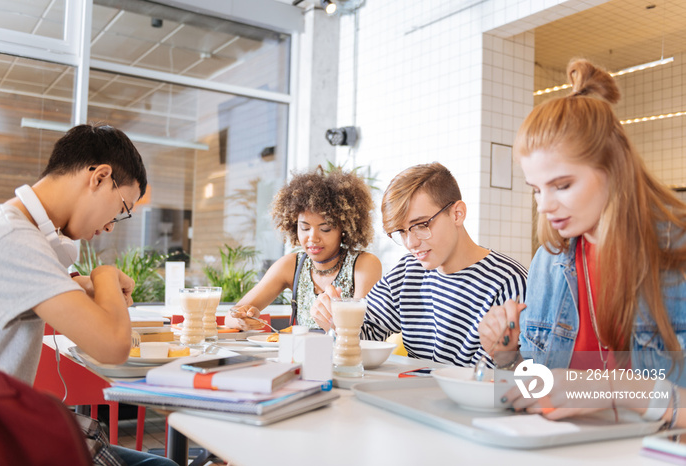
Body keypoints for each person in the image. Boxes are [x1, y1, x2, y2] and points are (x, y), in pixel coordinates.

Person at [479, 58, 686, 426]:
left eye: (562, 185)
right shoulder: (550, 260)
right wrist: (507, 356)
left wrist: (605, 387)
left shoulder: (676, 253)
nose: (545, 205)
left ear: (613, 169)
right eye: (536, 190)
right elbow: (543, 388)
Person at [0, 124, 178, 465]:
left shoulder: (6, 224)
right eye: (121, 209)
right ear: (100, 177)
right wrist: (103, 275)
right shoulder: (14, 238)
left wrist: (84, 284)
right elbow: (112, 347)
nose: (109, 227)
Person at [311, 162, 528, 367]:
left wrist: (506, 356)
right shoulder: (408, 272)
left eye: (421, 225)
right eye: (402, 231)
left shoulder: (510, 283)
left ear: (457, 214)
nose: (411, 243)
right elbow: (366, 335)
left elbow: (533, 380)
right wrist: (336, 322)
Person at [225, 165, 382, 330]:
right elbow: (231, 315)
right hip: (300, 356)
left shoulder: (364, 265)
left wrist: (335, 326)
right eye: (305, 228)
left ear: (343, 229)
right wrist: (243, 318)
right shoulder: (291, 265)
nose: (312, 238)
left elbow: (365, 334)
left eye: (325, 229)